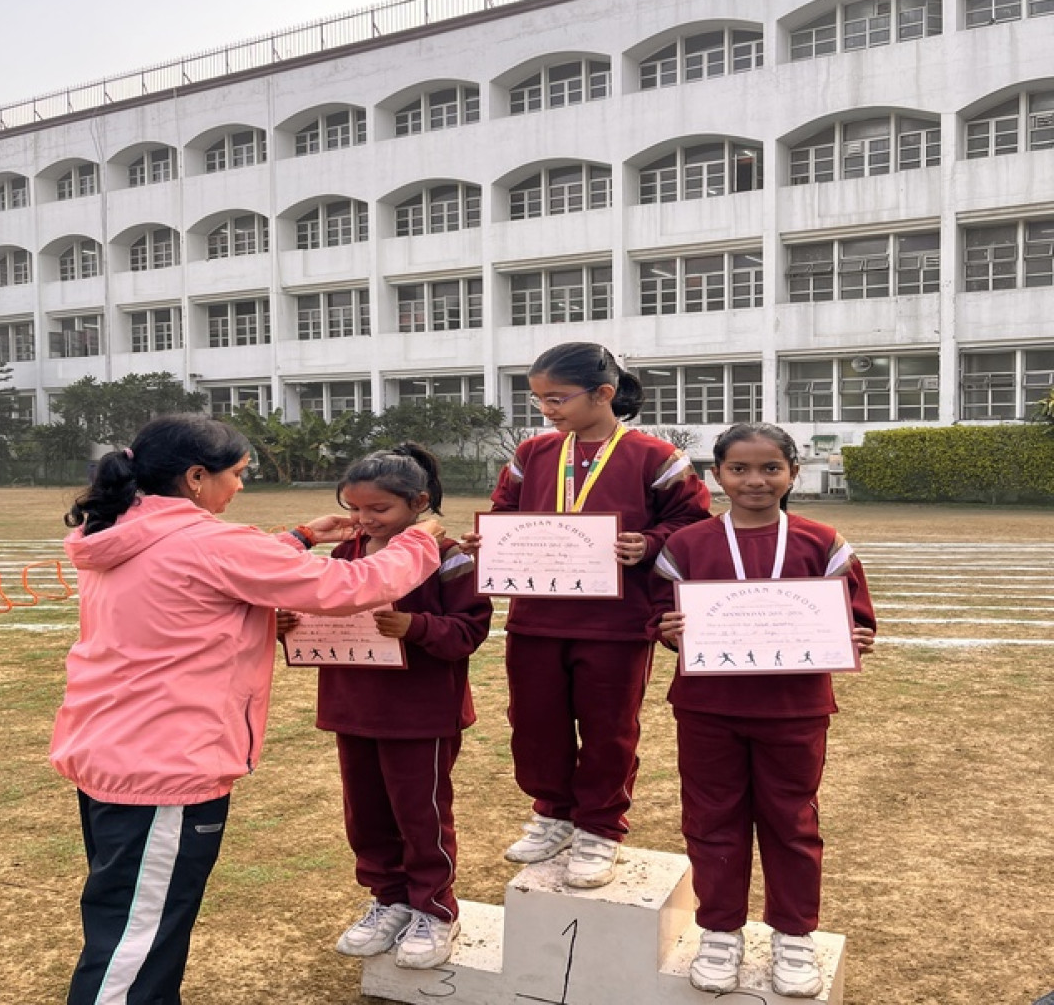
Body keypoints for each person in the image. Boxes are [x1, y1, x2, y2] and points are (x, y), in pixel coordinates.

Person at [50, 414, 444, 1005]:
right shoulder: (209, 543)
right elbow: (349, 588)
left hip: (110, 748)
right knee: (136, 942)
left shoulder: (122, 529)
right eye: (236, 473)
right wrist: (420, 540)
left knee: (131, 918)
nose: (240, 486)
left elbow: (215, 570)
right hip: (166, 767)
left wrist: (299, 538)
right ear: (195, 477)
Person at [463, 342, 710, 888]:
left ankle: (600, 827)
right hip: (535, 616)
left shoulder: (655, 456)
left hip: (616, 623)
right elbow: (505, 511)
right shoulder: (532, 454)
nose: (545, 409)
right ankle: (553, 813)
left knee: (608, 729)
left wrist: (649, 543)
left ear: (603, 394)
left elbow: (693, 523)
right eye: (538, 399)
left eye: (557, 398)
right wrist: (491, 540)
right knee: (534, 723)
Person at [650, 422, 876, 998]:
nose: (755, 480)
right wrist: (668, 630)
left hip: (794, 711)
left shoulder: (823, 542)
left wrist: (857, 635)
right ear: (717, 475)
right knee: (711, 818)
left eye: (771, 468)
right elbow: (658, 614)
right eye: (740, 469)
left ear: (793, 474)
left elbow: (857, 616)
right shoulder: (687, 545)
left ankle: (794, 934)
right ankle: (720, 930)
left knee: (792, 821)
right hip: (708, 709)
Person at [279, 444, 492, 970]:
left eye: (379, 508)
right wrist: (287, 626)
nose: (364, 519)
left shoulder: (447, 556)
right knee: (366, 815)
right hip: (353, 706)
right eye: (354, 508)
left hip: (421, 714)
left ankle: (434, 910)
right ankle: (388, 899)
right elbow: (320, 611)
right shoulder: (344, 554)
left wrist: (415, 627)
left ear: (418, 502)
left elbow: (470, 629)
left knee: (421, 816)